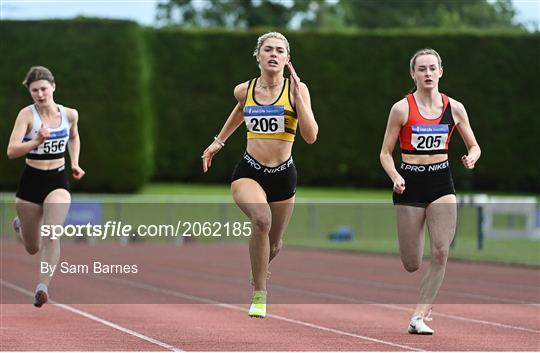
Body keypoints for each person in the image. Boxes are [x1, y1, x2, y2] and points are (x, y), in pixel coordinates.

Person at [202, 32, 318, 318]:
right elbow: (241, 109)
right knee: (261, 219)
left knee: (275, 243)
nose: (274, 54)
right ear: (258, 56)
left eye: (280, 50)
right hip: (249, 171)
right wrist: (219, 140)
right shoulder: (244, 89)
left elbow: (311, 136)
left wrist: (297, 101)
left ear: (287, 59)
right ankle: (260, 293)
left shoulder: (298, 90)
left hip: (283, 175)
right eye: (268, 50)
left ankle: (258, 270)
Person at [380, 48, 480, 334]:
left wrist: (472, 156)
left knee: (440, 252)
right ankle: (419, 301)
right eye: (421, 69)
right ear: (413, 74)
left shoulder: (455, 108)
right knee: (412, 263)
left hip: (441, 182)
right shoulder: (401, 108)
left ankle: (419, 316)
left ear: (440, 72)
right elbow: (385, 153)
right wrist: (395, 175)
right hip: (409, 183)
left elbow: (474, 144)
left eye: (432, 68)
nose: (427, 73)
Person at [7, 66, 85, 307]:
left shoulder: (69, 114)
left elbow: (73, 136)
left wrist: (75, 162)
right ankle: (21, 226)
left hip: (57, 180)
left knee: (52, 233)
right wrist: (37, 141)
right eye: (34, 91)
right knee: (32, 247)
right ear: (30, 92)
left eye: (43, 89)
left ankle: (42, 287)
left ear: (53, 86)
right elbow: (11, 151)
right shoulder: (27, 115)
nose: (40, 94)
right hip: (31, 181)